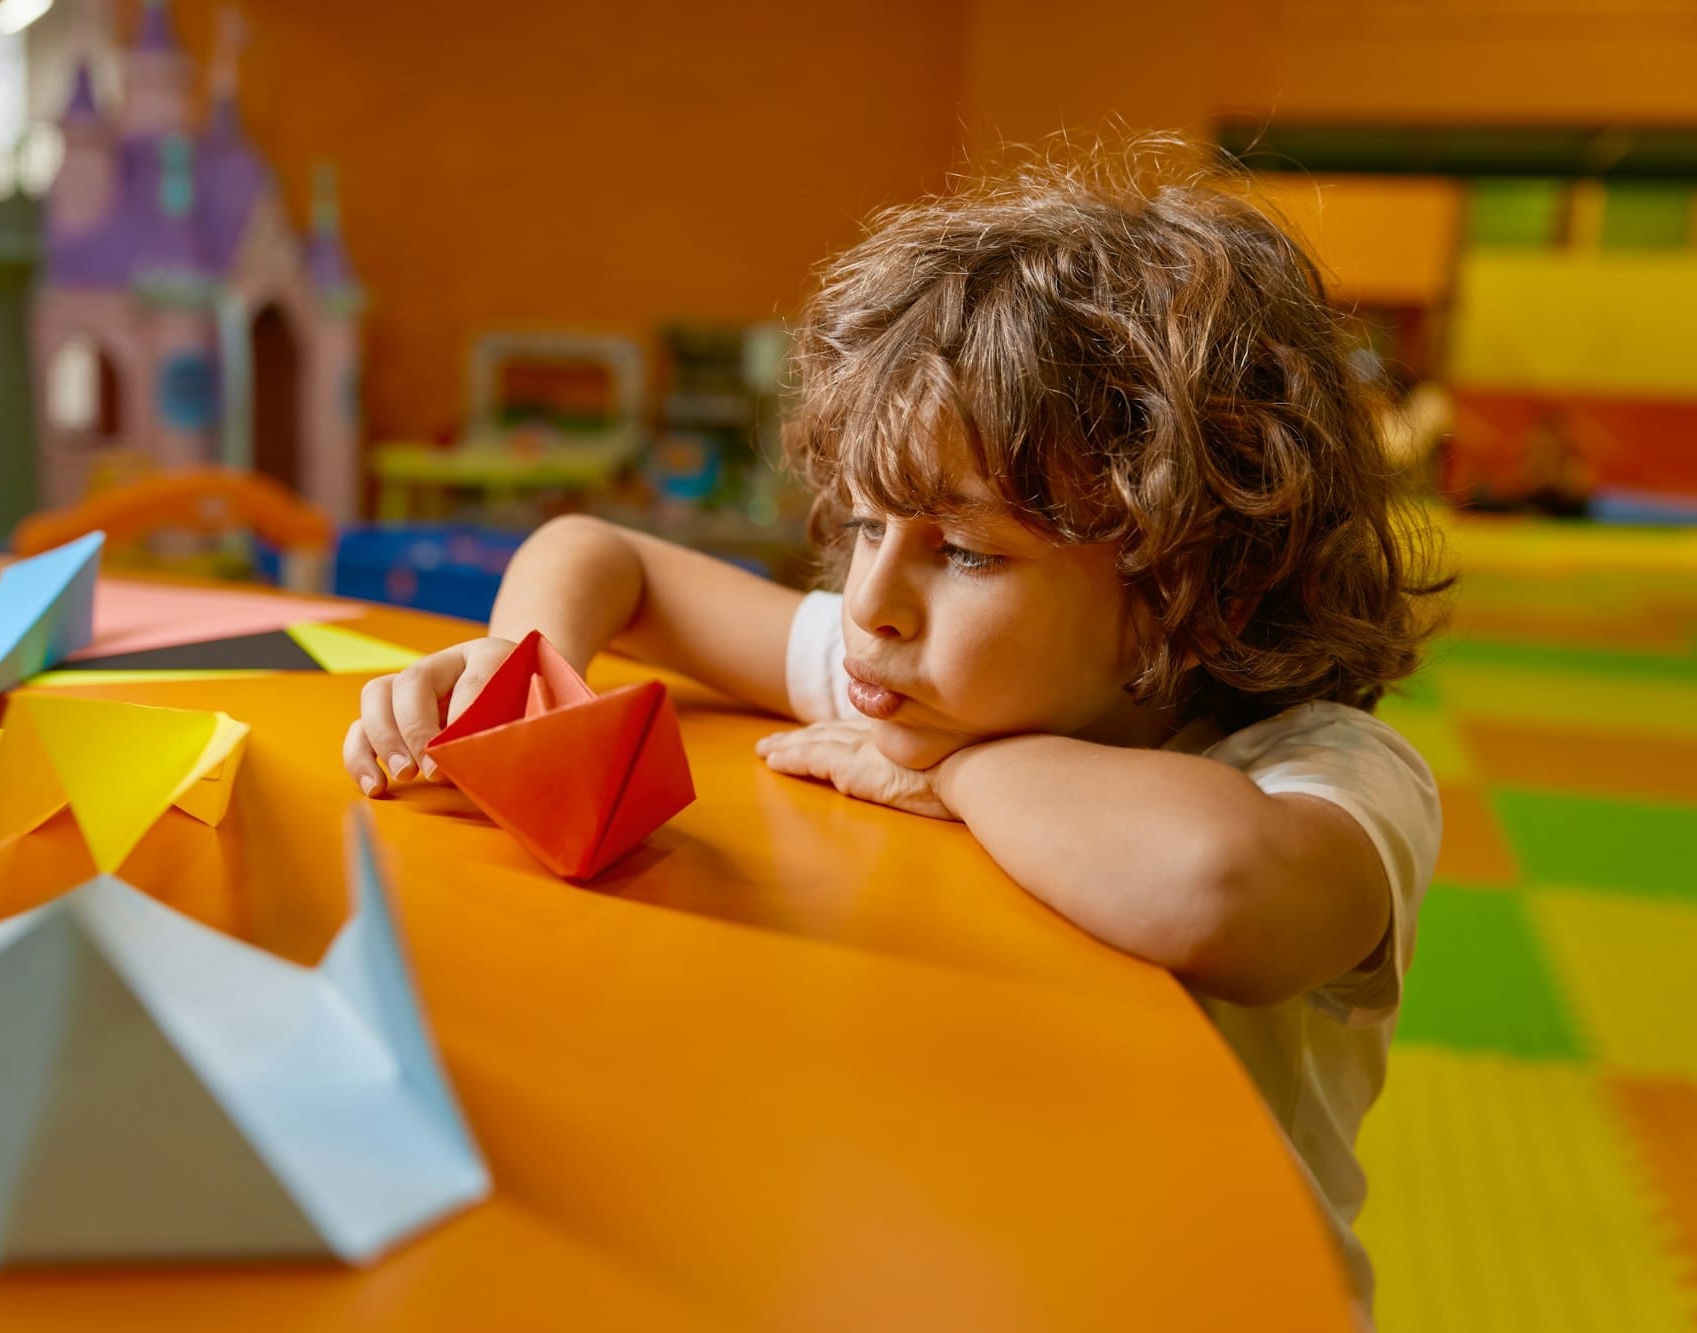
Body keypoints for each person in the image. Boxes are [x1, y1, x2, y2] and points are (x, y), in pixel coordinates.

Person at [343, 145, 1449, 1318]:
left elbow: (1213, 886)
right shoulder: (916, 674)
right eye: (867, 526)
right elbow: (594, 553)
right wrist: (526, 680)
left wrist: (962, 773)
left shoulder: (1326, 771)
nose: (870, 601)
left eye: (964, 551)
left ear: (1192, 595)